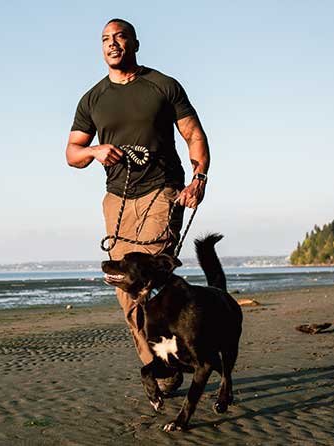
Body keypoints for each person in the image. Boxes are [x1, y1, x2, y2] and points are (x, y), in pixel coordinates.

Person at [65, 19, 211, 391]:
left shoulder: (162, 85)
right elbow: (72, 153)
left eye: (119, 37)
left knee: (153, 282)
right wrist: (95, 150)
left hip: (162, 192)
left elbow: (193, 133)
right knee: (125, 292)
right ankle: (160, 365)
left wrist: (199, 179)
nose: (112, 44)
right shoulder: (93, 98)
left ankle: (177, 350)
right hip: (116, 202)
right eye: (105, 40)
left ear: (135, 43)